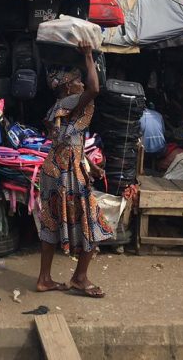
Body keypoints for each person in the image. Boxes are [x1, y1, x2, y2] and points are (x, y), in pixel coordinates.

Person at [36, 42, 113, 298]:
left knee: (50, 219)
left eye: (81, 80)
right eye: (77, 80)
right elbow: (95, 87)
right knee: (93, 222)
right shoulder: (71, 100)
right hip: (66, 172)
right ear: (68, 86)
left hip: (57, 168)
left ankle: (45, 279)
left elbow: (70, 140)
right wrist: (89, 55)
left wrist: (89, 166)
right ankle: (80, 278)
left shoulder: (57, 107)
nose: (82, 84)